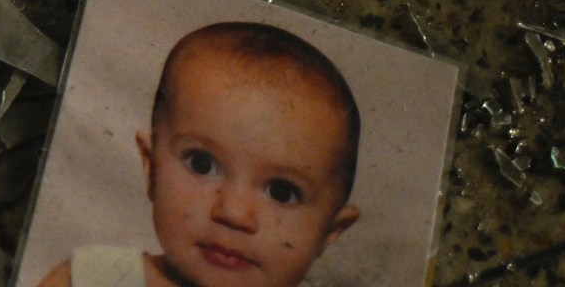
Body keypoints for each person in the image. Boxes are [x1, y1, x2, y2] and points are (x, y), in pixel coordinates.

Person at [37, 22, 364, 287]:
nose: (233, 213)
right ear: (152, 168)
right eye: (202, 164)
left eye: (281, 191)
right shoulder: (92, 280)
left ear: (330, 230)